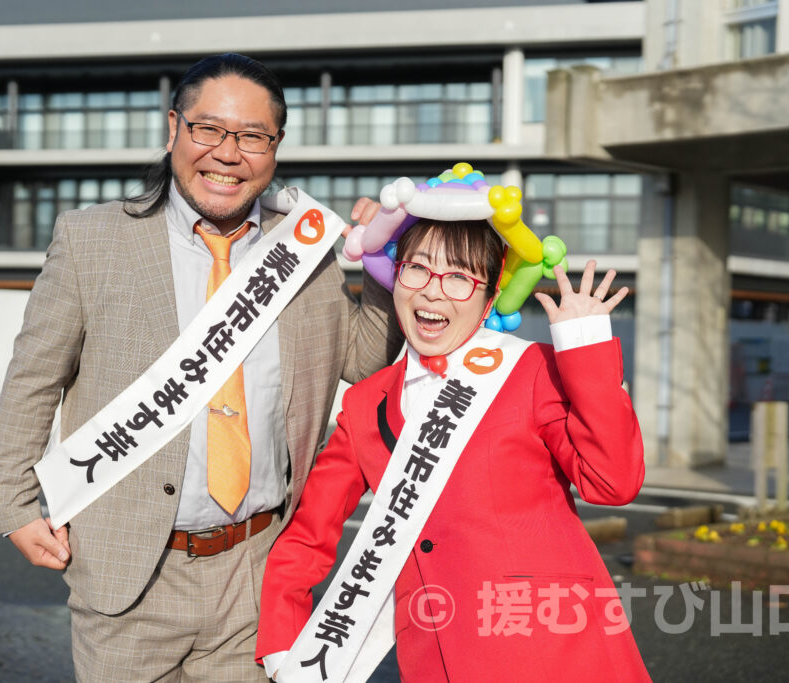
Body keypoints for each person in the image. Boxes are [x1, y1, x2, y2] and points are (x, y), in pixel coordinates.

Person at [0, 53, 403, 682]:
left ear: (275, 147)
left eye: (253, 137)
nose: (228, 154)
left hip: (258, 567)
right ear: (174, 129)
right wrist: (15, 505)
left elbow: (364, 357)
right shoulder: (92, 239)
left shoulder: (304, 250)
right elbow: (33, 380)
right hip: (129, 570)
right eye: (209, 129)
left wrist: (382, 266)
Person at [257, 215, 650, 681]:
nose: (433, 291)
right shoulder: (366, 404)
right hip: (436, 654)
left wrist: (584, 346)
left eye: (460, 277)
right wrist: (284, 644)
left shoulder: (530, 370)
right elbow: (306, 536)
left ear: (489, 300)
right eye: (417, 268)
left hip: (553, 647)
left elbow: (613, 483)